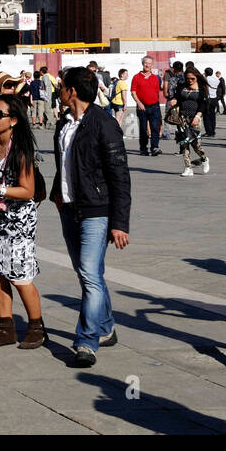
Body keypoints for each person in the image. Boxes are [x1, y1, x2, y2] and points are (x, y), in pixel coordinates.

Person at [50, 66, 131, 368]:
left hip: (97, 210)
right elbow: (68, 162)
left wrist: (120, 222)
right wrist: (58, 190)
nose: (60, 90)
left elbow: (120, 175)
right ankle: (106, 326)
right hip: (69, 207)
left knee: (88, 273)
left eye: (62, 87)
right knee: (88, 272)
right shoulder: (64, 123)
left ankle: (86, 341)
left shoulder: (104, 124)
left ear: (72, 91)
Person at [0, 94, 45, 349]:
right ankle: (6, 328)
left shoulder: (21, 148)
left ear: (13, 120)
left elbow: (27, 190)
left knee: (19, 275)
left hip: (20, 220)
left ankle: (36, 327)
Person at [169, 69, 209, 176]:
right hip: (182, 118)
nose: (190, 80)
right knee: (184, 143)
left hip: (195, 118)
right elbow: (177, 97)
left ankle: (204, 159)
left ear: (197, 77)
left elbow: (204, 105)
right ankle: (188, 168)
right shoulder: (182, 86)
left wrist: (198, 116)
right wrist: (174, 100)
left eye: (192, 78)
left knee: (196, 145)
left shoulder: (201, 88)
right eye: (188, 78)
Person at [131, 56, 163, 156]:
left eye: (149, 63)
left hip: (154, 106)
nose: (147, 65)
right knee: (143, 129)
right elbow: (133, 92)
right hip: (142, 107)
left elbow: (156, 92)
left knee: (155, 128)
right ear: (142, 64)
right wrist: (139, 103)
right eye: (145, 63)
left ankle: (154, 147)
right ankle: (143, 148)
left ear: (152, 65)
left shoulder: (155, 78)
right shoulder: (136, 77)